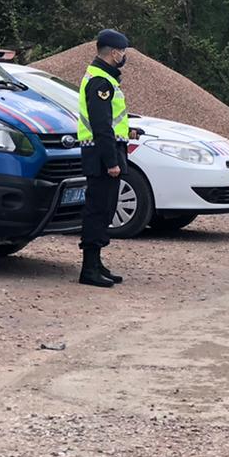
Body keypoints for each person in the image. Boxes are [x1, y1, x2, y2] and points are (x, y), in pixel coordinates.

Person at [76, 29, 132, 288]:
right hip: (100, 155)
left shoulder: (104, 78)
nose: (125, 56)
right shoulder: (101, 82)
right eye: (123, 52)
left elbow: (111, 122)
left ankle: (97, 264)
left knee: (106, 208)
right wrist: (112, 162)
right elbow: (101, 126)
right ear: (113, 52)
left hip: (104, 152)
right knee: (98, 210)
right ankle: (89, 268)